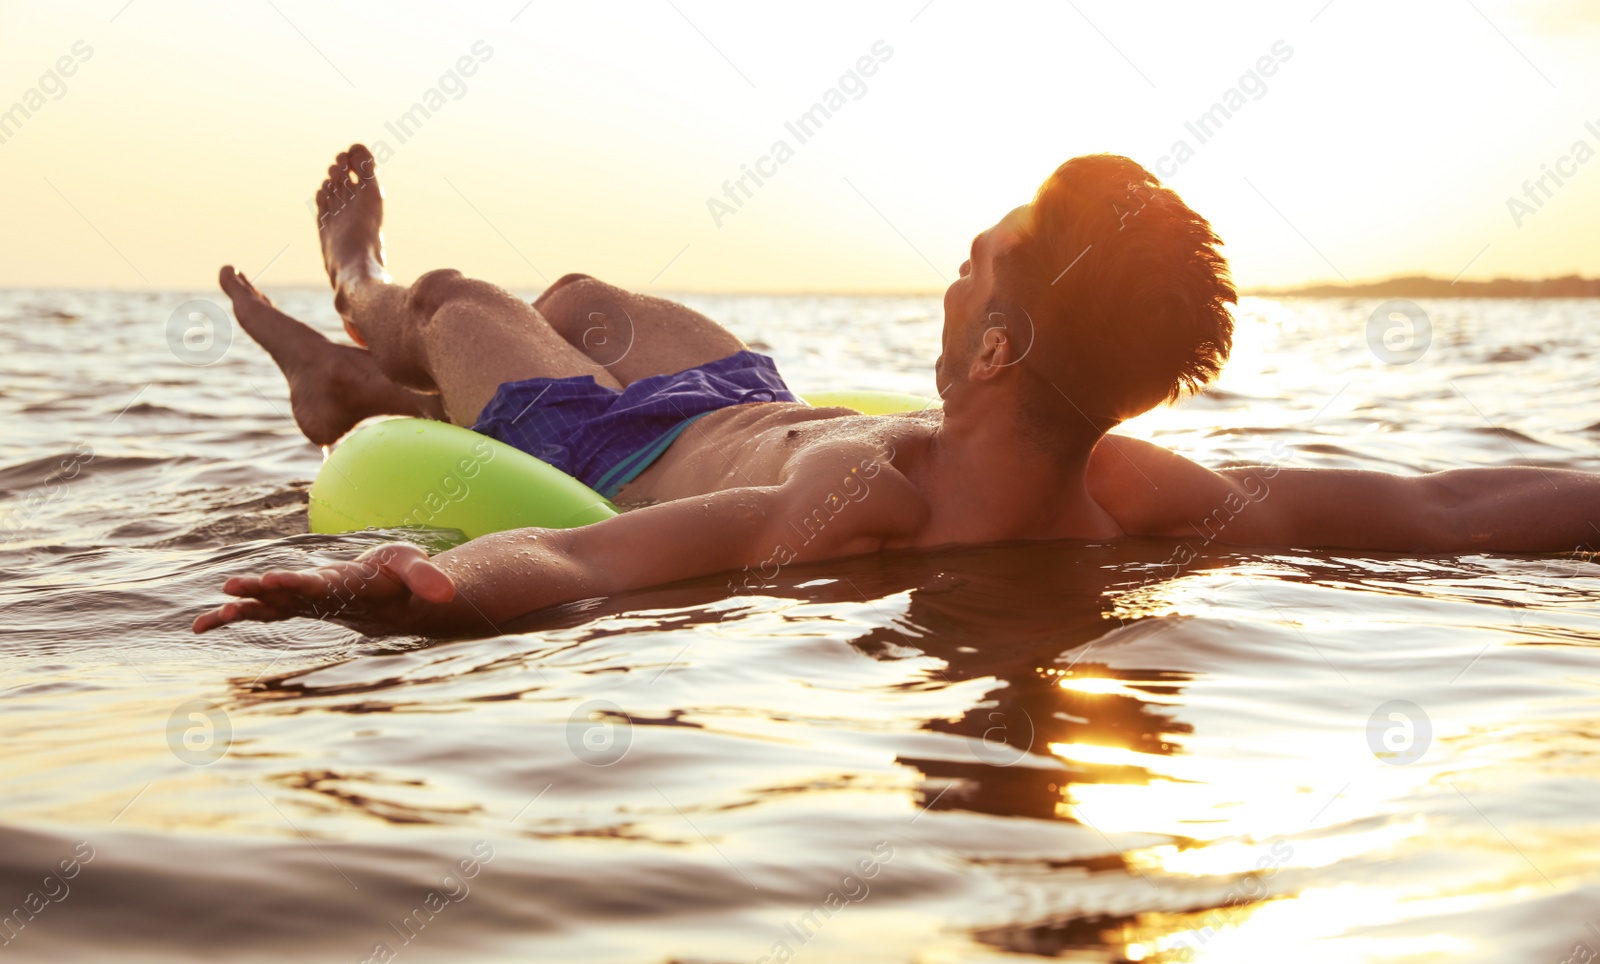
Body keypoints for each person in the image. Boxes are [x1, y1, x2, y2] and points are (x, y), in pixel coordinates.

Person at [193, 145, 1599, 637]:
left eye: (977, 264)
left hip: (613, 441)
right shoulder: (1127, 486)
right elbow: (1446, 504)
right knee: (584, 301)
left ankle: (359, 292)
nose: (953, 271)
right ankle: (355, 384)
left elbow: (578, 553)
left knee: (465, 301)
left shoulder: (854, 501)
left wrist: (417, 584)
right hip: (748, 392)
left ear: (994, 350)